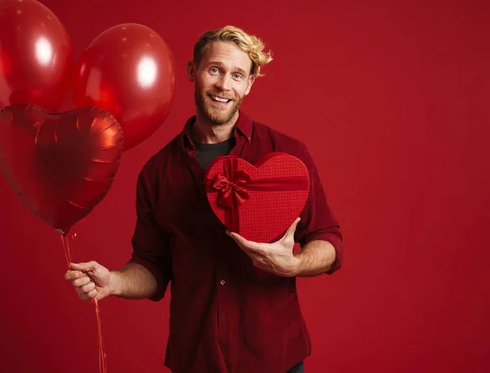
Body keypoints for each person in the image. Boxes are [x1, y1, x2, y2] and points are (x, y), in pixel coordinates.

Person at [65, 26, 344, 373]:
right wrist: (115, 281)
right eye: (215, 70)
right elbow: (153, 265)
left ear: (249, 84)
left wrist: (294, 265)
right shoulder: (158, 172)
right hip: (197, 359)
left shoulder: (287, 154)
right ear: (193, 72)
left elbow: (328, 239)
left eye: (237, 75)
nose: (224, 85)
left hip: (275, 359)